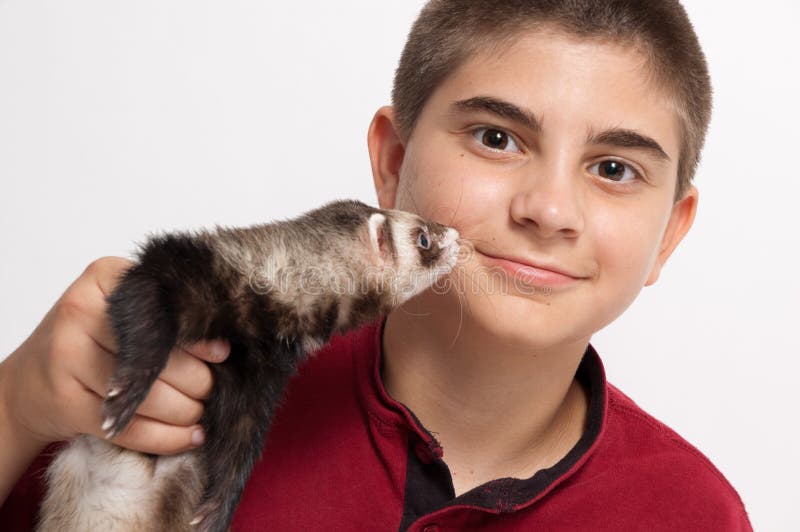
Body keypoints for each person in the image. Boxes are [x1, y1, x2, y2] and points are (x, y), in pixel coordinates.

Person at [0, 0, 753, 530]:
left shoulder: (696, 512)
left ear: (670, 235)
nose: (549, 209)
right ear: (391, 166)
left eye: (615, 168)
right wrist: (15, 409)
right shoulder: (183, 381)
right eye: (496, 138)